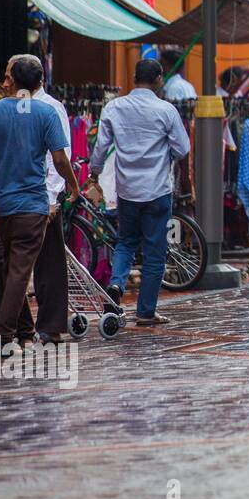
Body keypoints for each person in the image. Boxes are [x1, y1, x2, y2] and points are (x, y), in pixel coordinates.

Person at [0, 56, 80, 354]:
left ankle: (24, 331)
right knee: (2, 261)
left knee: (32, 268)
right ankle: (19, 331)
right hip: (11, 206)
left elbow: (58, 158)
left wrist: (55, 195)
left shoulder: (48, 110)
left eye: (8, 73)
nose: (4, 79)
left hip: (40, 201)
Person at [81, 58, 191, 327]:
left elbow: (100, 147)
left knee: (126, 242)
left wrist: (94, 172)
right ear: (158, 80)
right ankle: (145, 311)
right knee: (155, 251)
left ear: (134, 78)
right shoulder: (166, 110)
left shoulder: (114, 107)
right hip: (157, 190)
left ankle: (117, 284)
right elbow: (183, 148)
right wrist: (166, 156)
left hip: (126, 189)